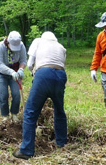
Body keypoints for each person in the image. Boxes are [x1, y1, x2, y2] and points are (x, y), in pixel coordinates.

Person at [13, 31, 67, 160]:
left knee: (30, 112)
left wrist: (34, 74)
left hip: (43, 74)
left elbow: (30, 63)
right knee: (59, 110)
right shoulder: (61, 47)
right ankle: (61, 142)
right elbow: (60, 64)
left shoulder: (38, 42)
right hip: (60, 75)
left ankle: (26, 150)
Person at [0, 31, 27, 122]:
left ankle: (14, 113)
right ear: (8, 42)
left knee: (16, 94)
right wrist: (11, 72)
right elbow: (0, 64)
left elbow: (23, 60)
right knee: (3, 95)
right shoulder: (0, 47)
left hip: (16, 73)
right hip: (1, 74)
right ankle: (5, 115)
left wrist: (21, 69)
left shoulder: (21, 46)